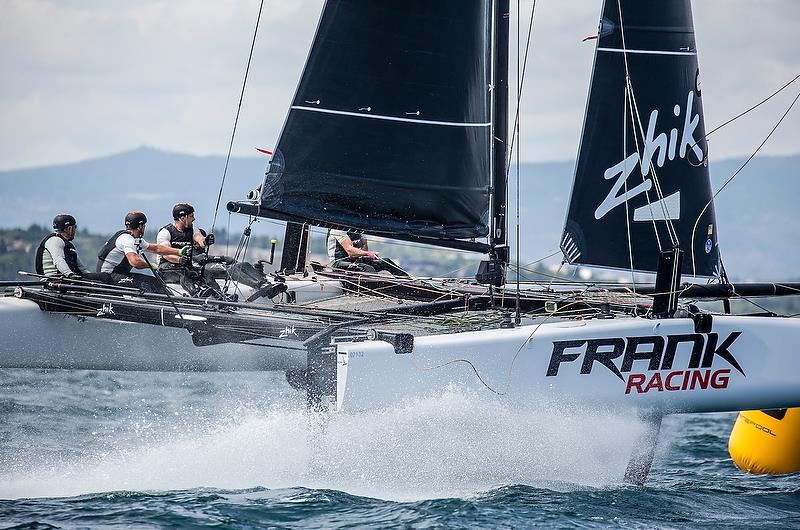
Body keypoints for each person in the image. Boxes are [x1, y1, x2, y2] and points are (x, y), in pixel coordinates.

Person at [96, 211, 188, 293]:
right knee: (147, 284)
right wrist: (151, 265)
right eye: (144, 226)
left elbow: (156, 249)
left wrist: (179, 251)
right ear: (140, 226)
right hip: (108, 276)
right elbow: (135, 262)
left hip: (118, 274)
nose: (144, 228)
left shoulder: (135, 239)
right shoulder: (127, 239)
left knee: (153, 281)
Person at [35, 214, 111, 282]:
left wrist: (94, 279)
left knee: (102, 277)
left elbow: (82, 269)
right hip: (55, 280)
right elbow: (58, 260)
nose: (75, 230)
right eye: (75, 227)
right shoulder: (55, 241)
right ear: (69, 229)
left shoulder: (68, 245)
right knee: (105, 277)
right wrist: (70, 275)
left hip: (67, 278)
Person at [155, 203, 213, 283]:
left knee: (206, 273)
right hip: (166, 267)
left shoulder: (193, 229)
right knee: (184, 272)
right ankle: (196, 293)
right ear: (183, 218)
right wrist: (180, 259)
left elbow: (198, 237)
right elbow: (166, 254)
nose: (194, 219)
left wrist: (205, 241)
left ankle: (218, 294)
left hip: (185, 265)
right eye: (191, 216)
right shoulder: (165, 232)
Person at [326, 229, 409, 276]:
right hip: (339, 264)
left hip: (356, 262)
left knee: (385, 261)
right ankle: (378, 289)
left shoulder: (359, 230)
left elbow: (364, 250)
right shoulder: (338, 229)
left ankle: (409, 282)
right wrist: (367, 253)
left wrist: (365, 254)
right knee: (368, 269)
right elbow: (350, 251)